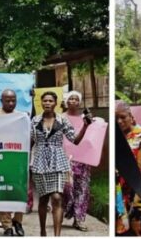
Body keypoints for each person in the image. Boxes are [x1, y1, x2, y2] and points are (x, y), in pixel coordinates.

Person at [31, 91, 90, 237]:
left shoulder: (62, 120)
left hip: (58, 162)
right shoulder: (35, 121)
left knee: (57, 198)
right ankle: (43, 231)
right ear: (41, 103)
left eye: (50, 101)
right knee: (44, 199)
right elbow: (31, 141)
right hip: (40, 163)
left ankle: (57, 235)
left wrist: (85, 126)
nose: (47, 103)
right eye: (45, 101)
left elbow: (75, 140)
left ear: (56, 103)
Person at [115, 100, 141, 236]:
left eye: (122, 117)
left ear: (131, 117)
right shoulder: (114, 138)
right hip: (120, 194)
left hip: (140, 193)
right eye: (116, 118)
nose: (119, 121)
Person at [0, 89, 26, 236]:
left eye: (13, 100)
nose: (11, 103)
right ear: (1, 101)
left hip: (17, 160)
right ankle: (7, 226)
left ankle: (18, 221)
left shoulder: (21, 117)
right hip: (0, 160)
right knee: (3, 191)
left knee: (19, 191)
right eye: (7, 100)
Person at [62, 91, 91, 232]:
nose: (73, 101)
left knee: (82, 190)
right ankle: (63, 211)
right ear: (66, 101)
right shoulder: (60, 118)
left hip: (82, 159)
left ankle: (78, 219)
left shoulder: (85, 119)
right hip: (65, 159)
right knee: (67, 188)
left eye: (76, 99)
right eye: (71, 98)